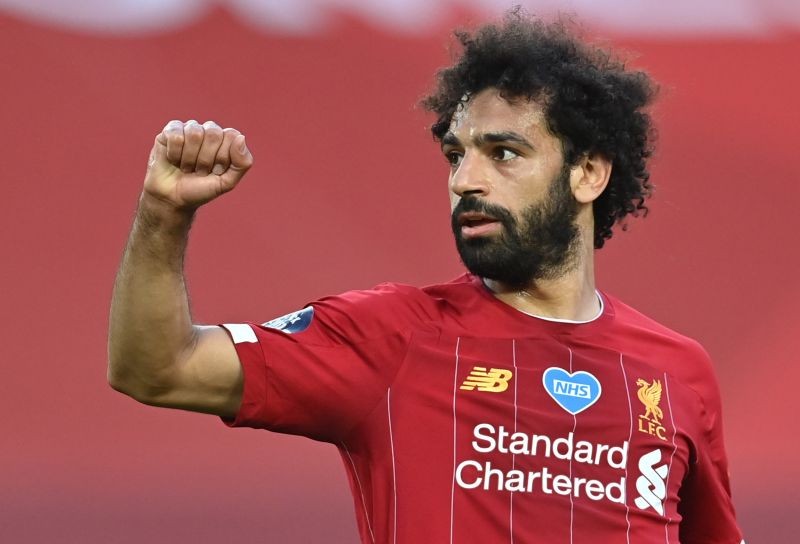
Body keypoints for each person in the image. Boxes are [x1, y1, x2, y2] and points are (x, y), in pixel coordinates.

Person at [108, 11, 744, 543]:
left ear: (588, 174)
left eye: (504, 153)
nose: (465, 179)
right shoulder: (392, 338)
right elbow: (156, 366)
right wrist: (165, 212)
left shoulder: (677, 373)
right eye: (455, 154)